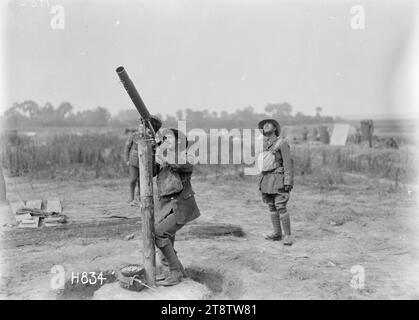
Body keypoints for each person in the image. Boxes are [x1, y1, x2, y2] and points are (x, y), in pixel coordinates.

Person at [153, 128, 200, 286]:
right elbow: (150, 170)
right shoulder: (163, 159)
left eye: (169, 138)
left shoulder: (187, 156)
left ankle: (175, 272)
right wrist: (154, 152)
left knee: (159, 233)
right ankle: (178, 271)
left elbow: (179, 164)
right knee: (168, 238)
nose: (165, 140)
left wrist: (164, 152)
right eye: (163, 138)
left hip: (183, 206)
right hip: (167, 207)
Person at [258, 119, 295, 245]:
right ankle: (277, 233)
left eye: (269, 124)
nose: (265, 125)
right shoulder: (264, 145)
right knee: (271, 206)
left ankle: (288, 236)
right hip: (267, 179)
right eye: (264, 125)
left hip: (279, 179)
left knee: (281, 206)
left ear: (275, 128)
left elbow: (288, 164)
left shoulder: (282, 143)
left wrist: (288, 181)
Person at [124, 116, 162, 205]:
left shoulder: (150, 138)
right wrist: (127, 160)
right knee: (132, 180)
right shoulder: (134, 136)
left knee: (142, 181)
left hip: (145, 163)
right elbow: (127, 148)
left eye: (143, 127)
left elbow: (155, 150)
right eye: (140, 127)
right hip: (134, 162)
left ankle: (140, 197)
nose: (141, 129)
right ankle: (131, 197)